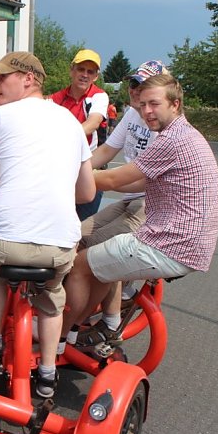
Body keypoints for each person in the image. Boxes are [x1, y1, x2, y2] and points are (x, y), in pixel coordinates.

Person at [64, 74, 218, 348]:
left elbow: (113, 180)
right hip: (185, 241)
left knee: (79, 263)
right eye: (144, 104)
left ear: (175, 104)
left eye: (155, 104)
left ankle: (55, 337)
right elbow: (136, 182)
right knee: (99, 262)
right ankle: (77, 328)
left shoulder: (171, 140)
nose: (147, 111)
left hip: (172, 244)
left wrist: (62, 175)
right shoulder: (185, 134)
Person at [0, 51, 96, 399]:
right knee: (51, 295)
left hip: (6, 244)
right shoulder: (73, 124)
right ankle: (46, 372)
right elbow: (87, 192)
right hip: (57, 245)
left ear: (28, 78)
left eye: (2, 77)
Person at [60, 61, 166, 349]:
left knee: (89, 251)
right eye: (133, 84)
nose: (135, 90)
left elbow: (142, 179)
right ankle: (102, 315)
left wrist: (96, 180)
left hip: (151, 205)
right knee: (73, 236)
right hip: (130, 198)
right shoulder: (133, 114)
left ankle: (85, 327)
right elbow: (106, 150)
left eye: (143, 86)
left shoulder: (162, 125)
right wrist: (69, 169)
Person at [49, 49, 109, 220]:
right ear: (71, 70)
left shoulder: (98, 96)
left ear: (96, 76)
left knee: (81, 227)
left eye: (90, 72)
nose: (85, 75)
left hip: (88, 168)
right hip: (61, 168)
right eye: (81, 69)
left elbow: (93, 124)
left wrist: (61, 138)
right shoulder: (57, 98)